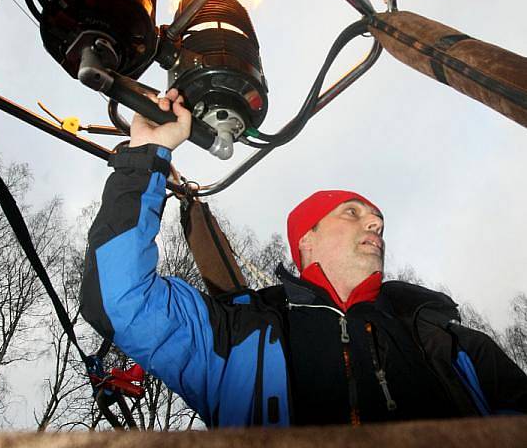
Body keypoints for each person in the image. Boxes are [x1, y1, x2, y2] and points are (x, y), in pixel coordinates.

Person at [80, 89, 527, 427]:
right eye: (353, 213)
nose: (374, 225)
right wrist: (144, 158)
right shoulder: (237, 336)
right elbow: (121, 299)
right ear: (305, 241)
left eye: (377, 220)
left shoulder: (446, 342)